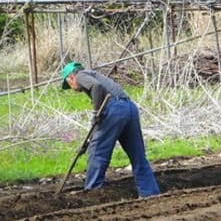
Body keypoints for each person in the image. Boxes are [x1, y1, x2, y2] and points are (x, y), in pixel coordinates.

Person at [61, 61, 161, 198]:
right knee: (138, 156)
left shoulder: (80, 75)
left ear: (71, 77)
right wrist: (88, 141)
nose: (72, 89)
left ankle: (93, 194)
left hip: (115, 109)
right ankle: (149, 193)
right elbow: (99, 93)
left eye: (69, 85)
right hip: (130, 108)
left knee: (96, 152)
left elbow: (96, 87)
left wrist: (96, 112)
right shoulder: (94, 75)